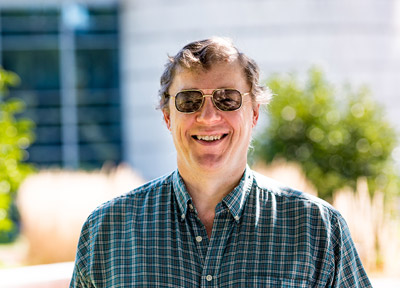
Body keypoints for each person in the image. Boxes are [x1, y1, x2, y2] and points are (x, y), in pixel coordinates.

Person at [70, 37, 372, 287]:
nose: (208, 117)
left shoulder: (317, 229)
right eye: (189, 101)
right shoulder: (107, 228)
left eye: (227, 99)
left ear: (253, 113)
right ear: (167, 117)